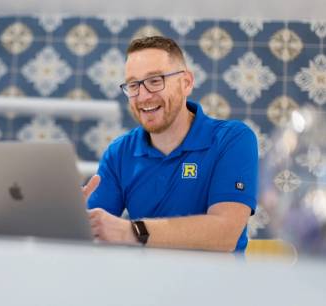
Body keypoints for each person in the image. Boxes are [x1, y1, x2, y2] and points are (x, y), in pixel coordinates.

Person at [82, 36, 258, 252]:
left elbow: (225, 234)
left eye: (155, 81)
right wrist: (74, 220)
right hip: (144, 283)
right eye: (133, 85)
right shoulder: (119, 153)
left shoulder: (232, 139)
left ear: (186, 83)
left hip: (216, 284)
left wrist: (131, 231)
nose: (143, 96)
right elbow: (91, 236)